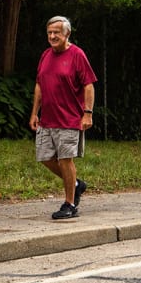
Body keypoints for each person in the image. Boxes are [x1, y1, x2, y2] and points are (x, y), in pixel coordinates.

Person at [29, 16, 98, 220]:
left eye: (56, 33)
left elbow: (88, 85)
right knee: (44, 157)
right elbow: (39, 85)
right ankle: (77, 184)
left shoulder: (77, 55)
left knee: (65, 160)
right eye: (49, 33)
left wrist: (88, 113)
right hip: (47, 118)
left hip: (69, 119)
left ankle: (69, 204)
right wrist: (34, 112)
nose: (52, 36)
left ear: (66, 33)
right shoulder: (45, 55)